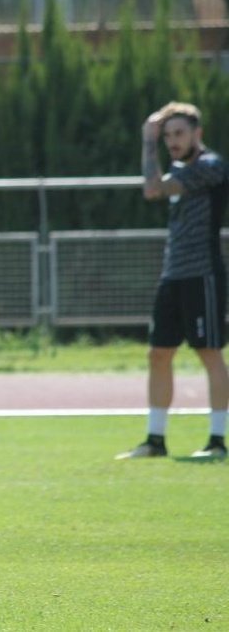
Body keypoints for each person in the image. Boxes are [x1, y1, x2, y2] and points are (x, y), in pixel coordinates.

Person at [116, 102, 229, 460]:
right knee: (158, 353)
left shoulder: (210, 166)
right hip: (173, 273)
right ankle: (155, 439)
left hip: (202, 274)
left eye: (179, 133)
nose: (172, 141)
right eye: (166, 136)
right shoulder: (179, 169)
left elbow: (152, 189)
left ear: (198, 133)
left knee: (209, 352)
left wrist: (146, 141)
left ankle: (216, 441)